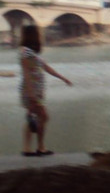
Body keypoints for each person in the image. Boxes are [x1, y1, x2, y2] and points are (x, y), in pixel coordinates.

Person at [18, 24, 72, 157]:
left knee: (34, 118)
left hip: (36, 92)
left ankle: (31, 148)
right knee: (42, 117)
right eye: (37, 33)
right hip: (31, 92)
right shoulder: (26, 52)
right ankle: (38, 148)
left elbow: (46, 68)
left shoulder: (31, 52)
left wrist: (62, 78)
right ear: (33, 35)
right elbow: (27, 74)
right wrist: (31, 95)